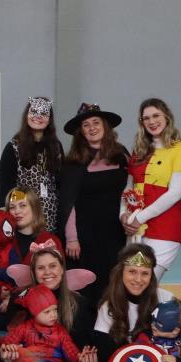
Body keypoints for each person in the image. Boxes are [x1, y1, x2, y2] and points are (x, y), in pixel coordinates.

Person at [57, 103, 129, 304]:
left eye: (96, 122)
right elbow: (68, 203)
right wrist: (72, 238)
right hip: (86, 237)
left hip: (116, 233)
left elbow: (132, 190)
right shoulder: (74, 163)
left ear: (105, 126)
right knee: (89, 286)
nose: (92, 128)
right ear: (81, 132)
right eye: (86, 125)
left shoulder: (122, 155)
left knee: (115, 283)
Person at [123, 98, 181, 277]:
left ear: (167, 117)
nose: (152, 122)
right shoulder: (139, 149)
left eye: (156, 116)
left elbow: (175, 194)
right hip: (136, 230)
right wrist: (124, 216)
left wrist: (140, 217)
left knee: (148, 282)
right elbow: (128, 188)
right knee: (130, 284)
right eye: (146, 118)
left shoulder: (180, 149)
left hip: (165, 228)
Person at [0, 96, 61, 210]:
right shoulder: (13, 147)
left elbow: (60, 184)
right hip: (24, 217)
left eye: (44, 113)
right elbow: (6, 188)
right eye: (34, 111)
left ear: (49, 119)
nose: (38, 116)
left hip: (52, 218)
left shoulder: (56, 147)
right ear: (27, 115)